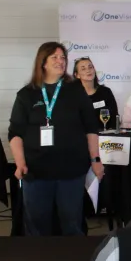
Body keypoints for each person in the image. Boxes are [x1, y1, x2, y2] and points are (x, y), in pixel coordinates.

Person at [8, 42, 104, 236]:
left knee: (71, 222)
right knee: (37, 223)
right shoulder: (26, 94)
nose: (61, 61)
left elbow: (90, 128)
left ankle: (73, 256)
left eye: (63, 57)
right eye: (55, 57)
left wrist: (95, 159)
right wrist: (20, 163)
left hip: (71, 170)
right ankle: (39, 255)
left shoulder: (76, 90)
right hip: (36, 170)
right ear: (43, 62)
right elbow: (15, 133)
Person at [73, 57, 119, 130]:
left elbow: (115, 118)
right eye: (83, 69)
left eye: (90, 67)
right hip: (82, 135)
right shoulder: (74, 95)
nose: (88, 70)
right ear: (77, 75)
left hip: (105, 135)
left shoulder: (105, 92)